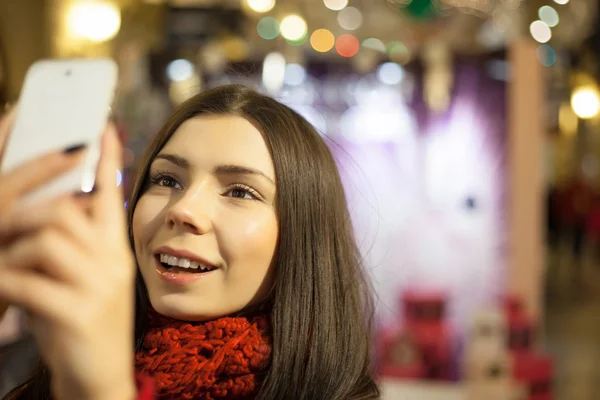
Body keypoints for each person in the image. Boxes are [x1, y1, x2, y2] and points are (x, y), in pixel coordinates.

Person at [0, 84, 380, 399]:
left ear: (303, 237)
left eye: (241, 192)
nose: (184, 210)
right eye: (166, 180)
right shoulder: (47, 369)